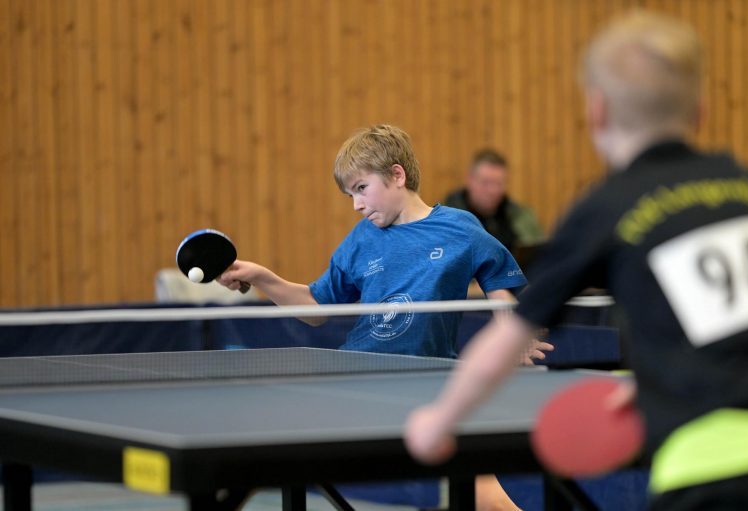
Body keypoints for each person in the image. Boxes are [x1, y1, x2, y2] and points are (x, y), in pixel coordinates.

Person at [405, 11, 748, 511]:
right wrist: (655, 381)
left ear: (596, 112)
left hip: (711, 474)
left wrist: (439, 420)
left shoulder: (607, 207)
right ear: (700, 111)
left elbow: (507, 339)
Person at [219, 124, 554, 510]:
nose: (356, 205)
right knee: (272, 454)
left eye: (361, 188)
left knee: (482, 491)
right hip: (358, 378)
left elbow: (498, 281)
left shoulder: (460, 228)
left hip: (430, 379)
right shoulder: (360, 240)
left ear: (397, 175)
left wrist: (514, 333)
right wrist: (263, 277)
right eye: (350, 194)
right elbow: (315, 307)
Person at [444, 149, 545, 254]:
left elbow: (539, 255)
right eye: (485, 183)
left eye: (499, 183)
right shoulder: (445, 220)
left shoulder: (521, 216)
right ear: (470, 180)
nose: (492, 191)